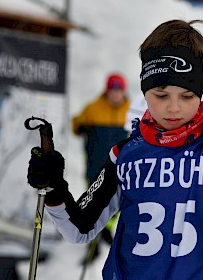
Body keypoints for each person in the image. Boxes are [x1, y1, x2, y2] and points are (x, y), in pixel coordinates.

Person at [27, 19, 203, 279]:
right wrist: (54, 187)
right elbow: (78, 229)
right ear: (144, 91)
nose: (173, 108)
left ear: (201, 93)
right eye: (161, 95)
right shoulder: (124, 155)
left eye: (187, 96)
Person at [72, 73, 130, 262]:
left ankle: (106, 228)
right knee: (94, 202)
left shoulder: (130, 111)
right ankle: (93, 241)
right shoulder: (93, 108)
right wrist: (79, 127)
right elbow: (76, 122)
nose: (115, 94)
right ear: (107, 91)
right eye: (112, 90)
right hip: (96, 165)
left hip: (119, 166)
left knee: (117, 200)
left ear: (123, 91)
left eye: (118, 90)